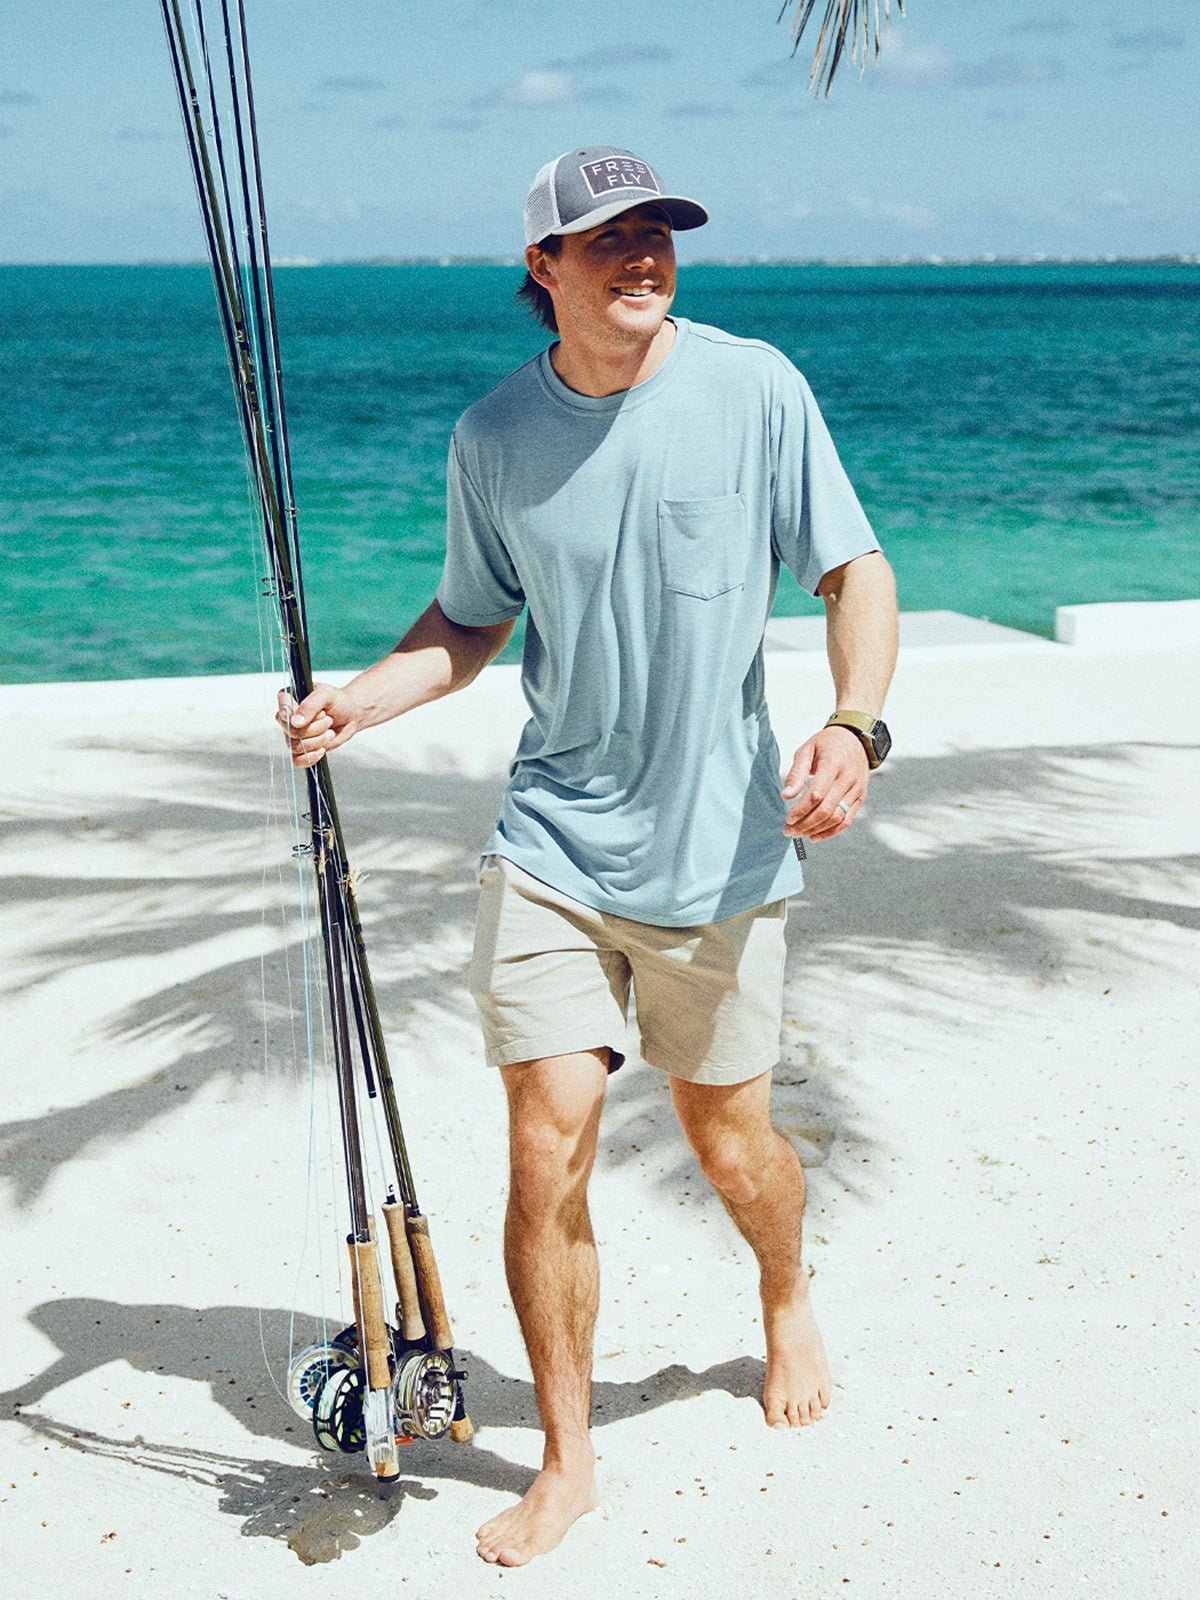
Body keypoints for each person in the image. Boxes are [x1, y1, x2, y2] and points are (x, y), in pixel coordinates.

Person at [279, 146, 898, 1568]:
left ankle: (784, 1290)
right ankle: (568, 1461)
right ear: (542, 268)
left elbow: (853, 569)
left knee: (729, 1142)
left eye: (658, 230)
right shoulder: (495, 434)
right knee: (542, 1145)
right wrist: (357, 704)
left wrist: (854, 725)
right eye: (607, 236)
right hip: (554, 841)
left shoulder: (755, 388)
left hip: (721, 852)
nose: (642, 255)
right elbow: (469, 619)